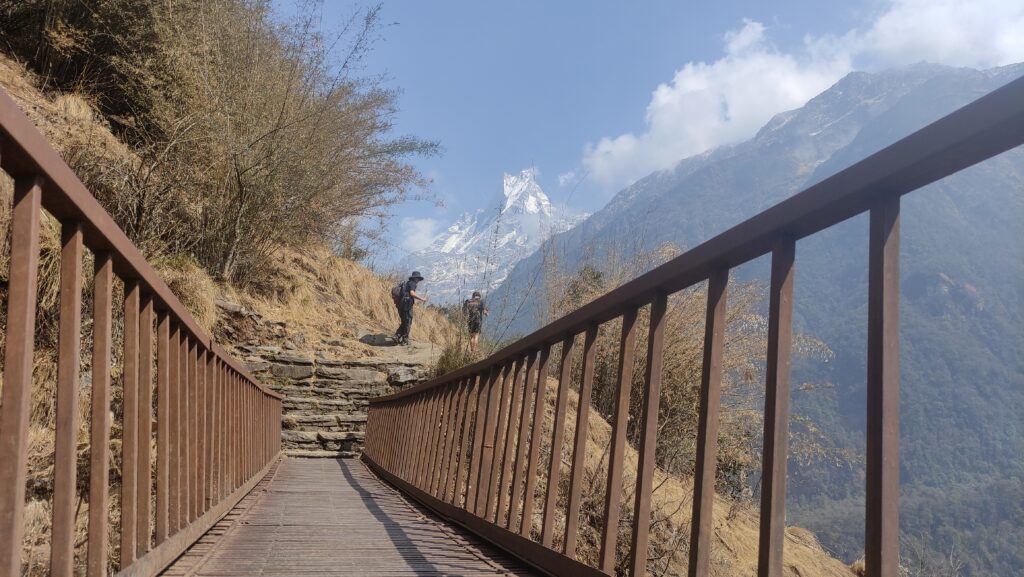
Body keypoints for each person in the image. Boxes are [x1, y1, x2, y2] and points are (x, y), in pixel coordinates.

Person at [394, 271, 427, 345]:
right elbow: (412, 293)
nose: (418, 280)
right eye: (418, 278)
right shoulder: (412, 283)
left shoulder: (407, 283)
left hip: (401, 305)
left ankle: (397, 336)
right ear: (415, 278)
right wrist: (422, 299)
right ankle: (404, 340)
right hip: (407, 306)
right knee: (408, 322)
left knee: (404, 322)